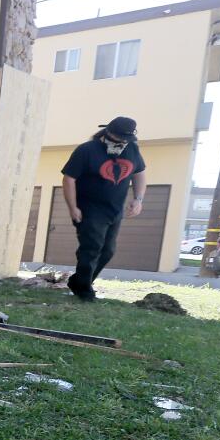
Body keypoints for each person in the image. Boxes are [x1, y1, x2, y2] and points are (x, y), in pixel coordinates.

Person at [60, 116, 147, 301]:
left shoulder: (132, 149)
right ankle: (84, 290)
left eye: (126, 139)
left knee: (108, 250)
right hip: (89, 208)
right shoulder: (87, 150)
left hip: (115, 210)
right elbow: (69, 179)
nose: (122, 142)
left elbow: (139, 173)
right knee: (91, 247)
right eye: (119, 138)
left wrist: (138, 199)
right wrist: (73, 207)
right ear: (109, 132)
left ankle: (79, 281)